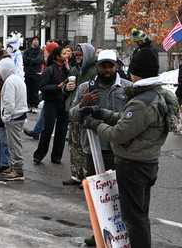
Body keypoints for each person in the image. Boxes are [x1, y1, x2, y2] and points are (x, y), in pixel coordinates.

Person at [82, 46, 176, 248]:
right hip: (146, 163)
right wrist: (102, 113)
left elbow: (119, 134)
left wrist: (95, 124)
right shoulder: (153, 95)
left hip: (134, 167)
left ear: (136, 72)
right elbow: (127, 121)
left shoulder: (141, 102)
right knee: (140, 216)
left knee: (134, 220)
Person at [68, 50, 132, 246]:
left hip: (120, 148)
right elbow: (72, 114)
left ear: (117, 66)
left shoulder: (128, 88)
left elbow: (132, 117)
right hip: (94, 150)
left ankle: (121, 234)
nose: (106, 69)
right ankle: (98, 232)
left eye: (110, 65)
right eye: (103, 65)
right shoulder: (86, 87)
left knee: (121, 195)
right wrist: (82, 105)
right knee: (99, 196)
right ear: (97, 66)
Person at [62, 43, 96, 185]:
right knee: (73, 144)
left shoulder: (94, 71)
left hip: (86, 113)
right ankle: (76, 174)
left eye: (80, 55)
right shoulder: (75, 70)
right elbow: (65, 86)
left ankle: (87, 177)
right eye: (76, 55)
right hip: (73, 111)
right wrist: (66, 88)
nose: (77, 57)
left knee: (85, 146)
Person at [33, 45, 71, 164]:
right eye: (64, 53)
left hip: (64, 103)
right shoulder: (50, 69)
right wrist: (56, 87)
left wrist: (68, 68)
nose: (67, 56)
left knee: (62, 130)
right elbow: (42, 87)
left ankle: (57, 156)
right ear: (57, 56)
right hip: (51, 103)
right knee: (47, 130)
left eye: (67, 54)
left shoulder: (67, 69)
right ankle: (39, 155)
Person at [0, 57, 28, 181]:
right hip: (19, 115)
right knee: (14, 143)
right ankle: (14, 167)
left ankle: (17, 170)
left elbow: (9, 102)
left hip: (14, 117)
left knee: (14, 144)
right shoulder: (17, 79)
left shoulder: (9, 81)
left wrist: (6, 117)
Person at [23, 36, 43, 111]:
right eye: (35, 40)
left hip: (36, 74)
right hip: (28, 73)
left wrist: (30, 61)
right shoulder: (26, 51)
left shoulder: (40, 51)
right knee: (28, 90)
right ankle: (28, 105)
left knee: (35, 90)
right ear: (32, 42)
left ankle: (34, 105)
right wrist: (32, 61)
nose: (36, 41)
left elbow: (39, 60)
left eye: (37, 40)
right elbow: (24, 60)